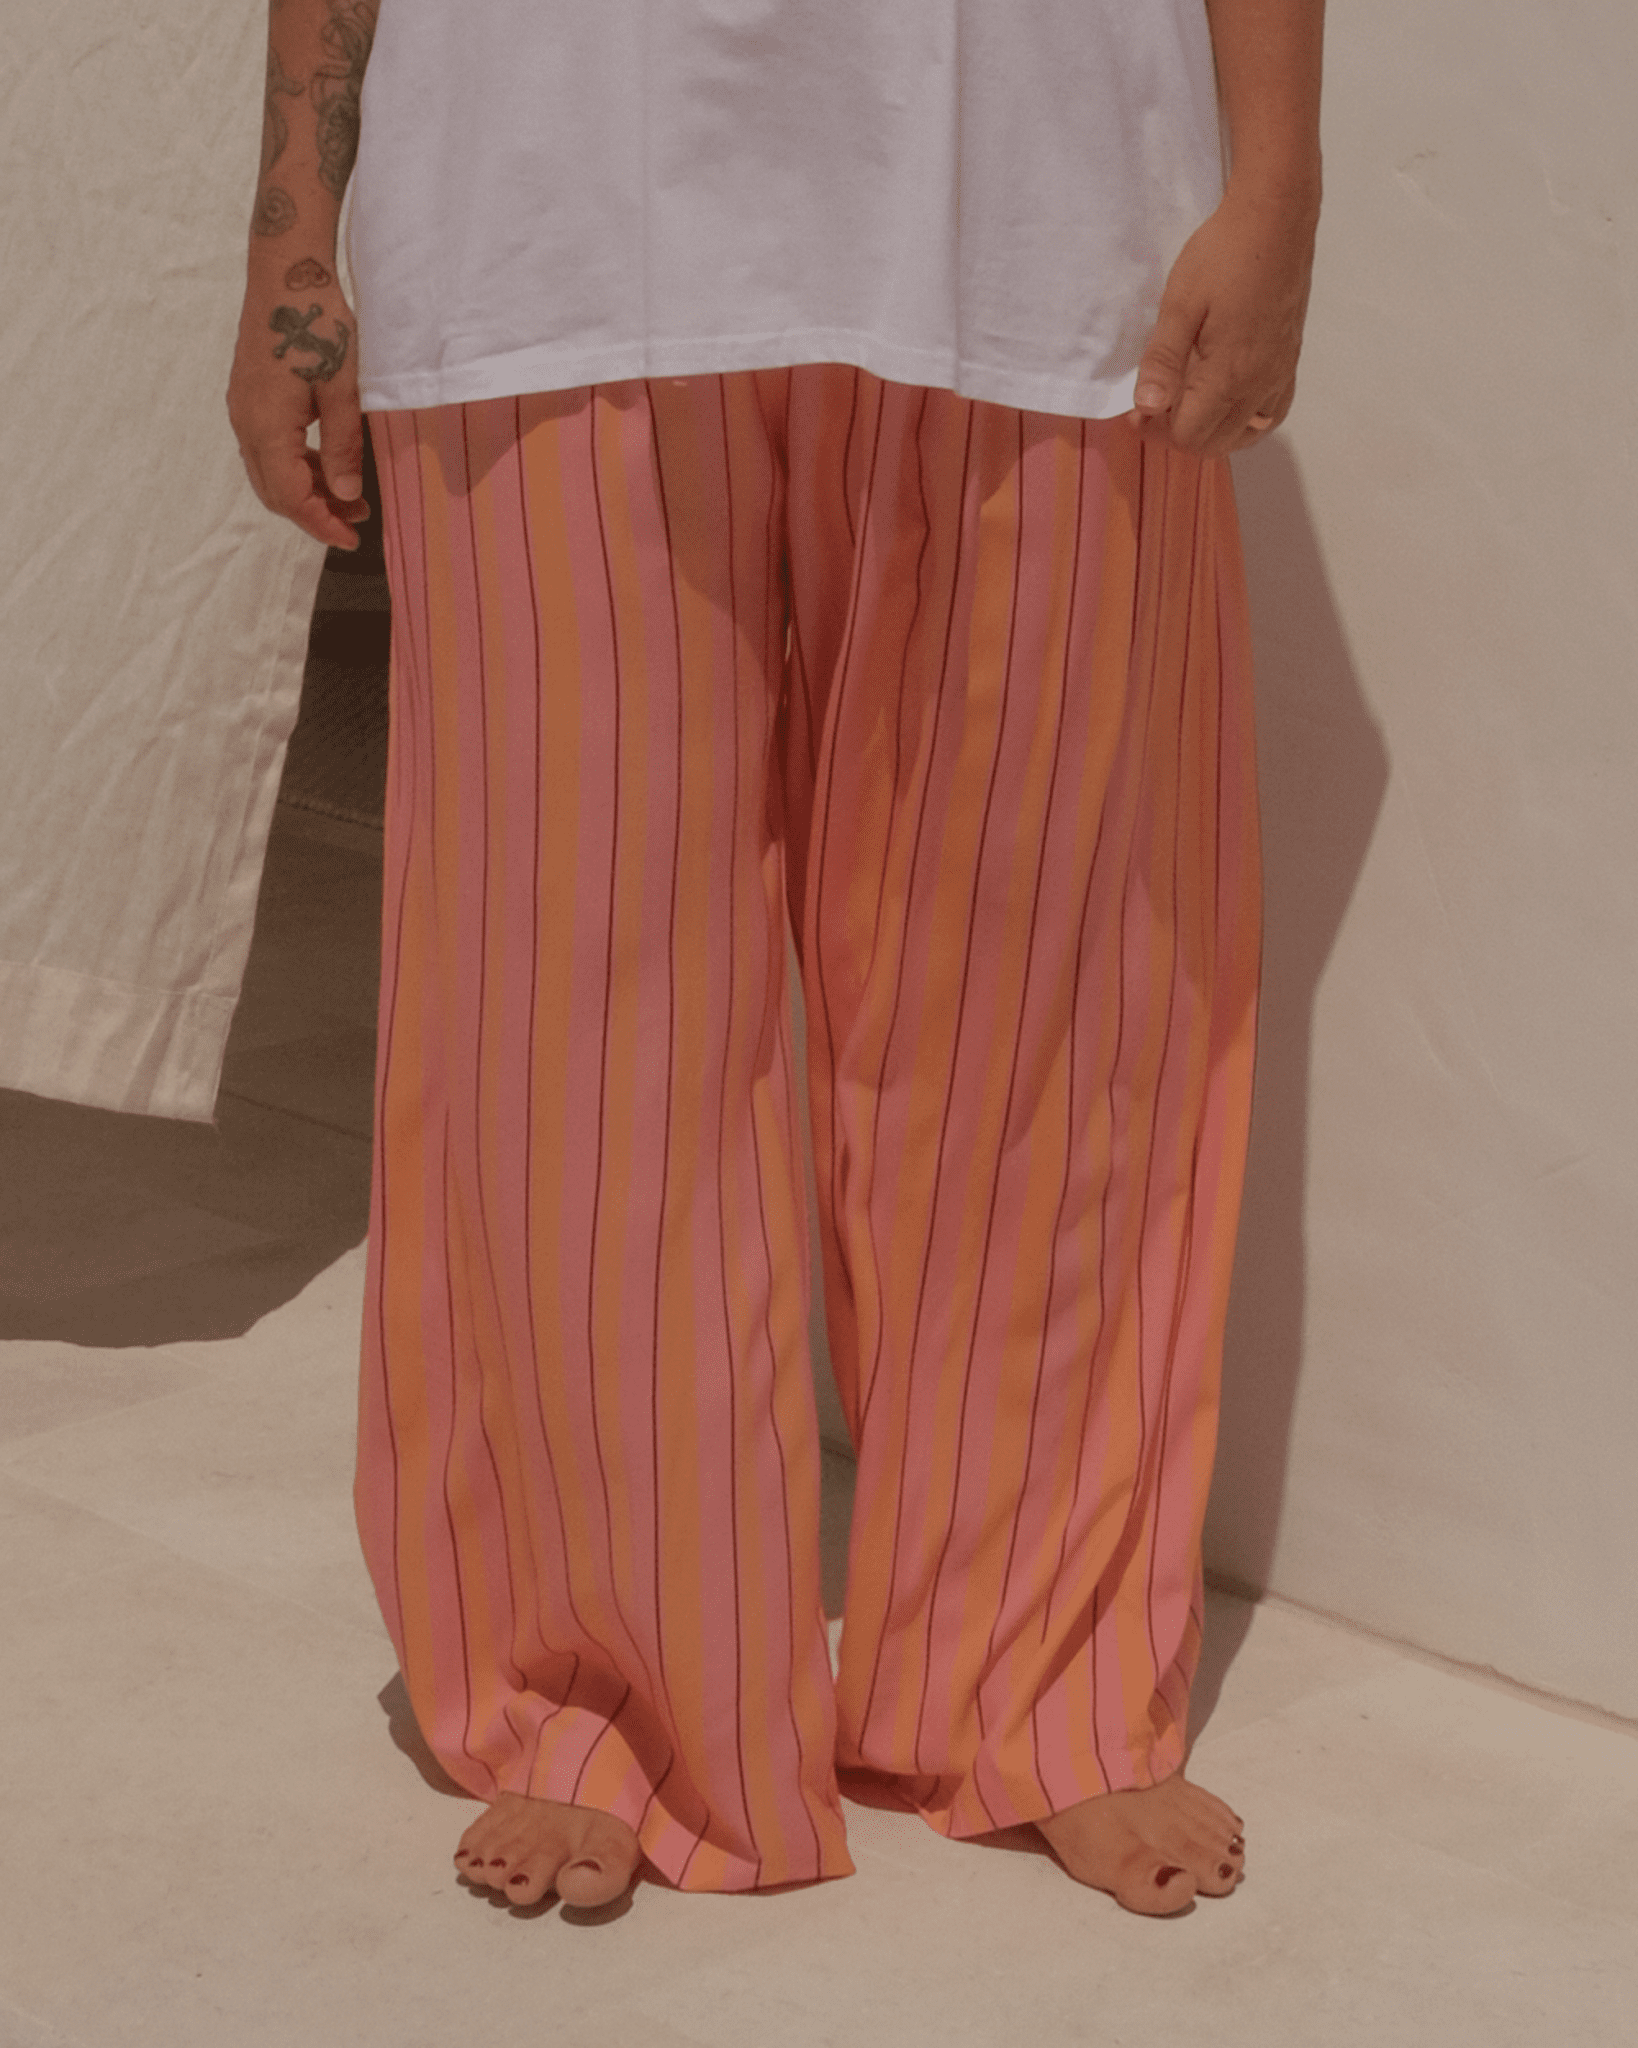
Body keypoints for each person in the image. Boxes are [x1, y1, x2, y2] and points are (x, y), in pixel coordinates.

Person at [229, 0, 1321, 1919]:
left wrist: (1279, 175)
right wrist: (291, 243)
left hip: (1043, 200)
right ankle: (604, 1689)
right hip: (544, 204)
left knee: (1046, 1013)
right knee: (567, 1019)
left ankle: (1036, 1679)